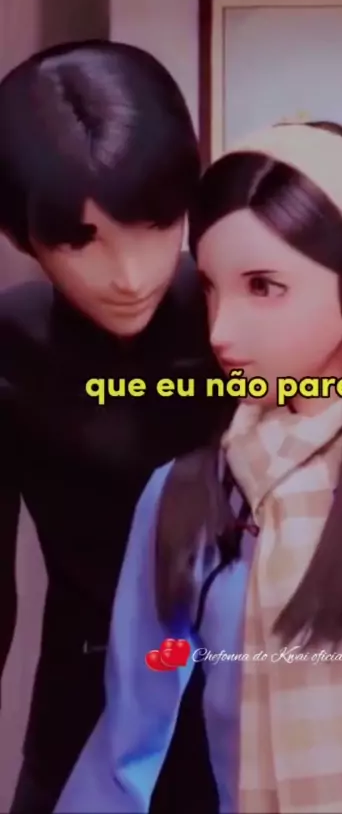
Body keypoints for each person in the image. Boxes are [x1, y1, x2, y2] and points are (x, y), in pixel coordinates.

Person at [56, 121, 342, 814]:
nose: (221, 331)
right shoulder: (187, 496)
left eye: (263, 286)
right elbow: (131, 728)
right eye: (212, 288)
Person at [0, 41, 232, 814]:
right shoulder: (10, 349)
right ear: (20, 233)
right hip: (86, 715)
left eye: (157, 223)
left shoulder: (249, 320)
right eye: (80, 240)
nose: (130, 276)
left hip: (263, 709)